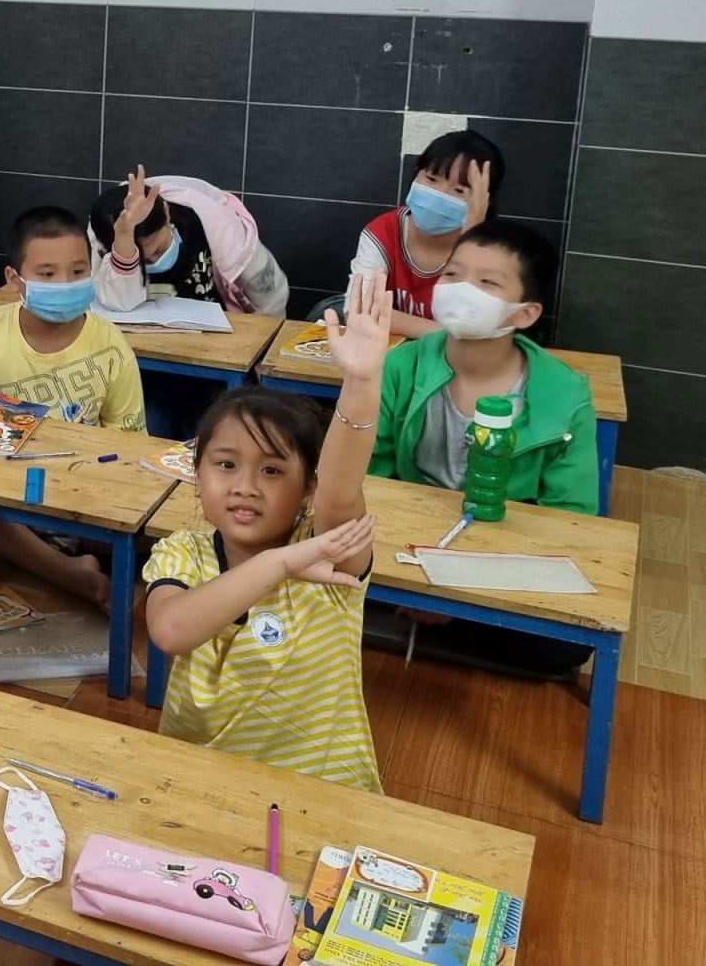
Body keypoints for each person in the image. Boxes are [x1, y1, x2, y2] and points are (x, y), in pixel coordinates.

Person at [141, 272, 389, 791]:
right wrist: (278, 564)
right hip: (197, 781)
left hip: (319, 786)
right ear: (196, 472)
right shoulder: (181, 553)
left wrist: (361, 383)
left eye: (272, 470)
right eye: (225, 465)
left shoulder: (325, 550)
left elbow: (341, 487)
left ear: (307, 491)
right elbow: (171, 632)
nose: (245, 487)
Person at [365, 220, 598, 680]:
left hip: (502, 547)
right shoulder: (400, 366)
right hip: (408, 537)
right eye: (453, 275)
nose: (460, 290)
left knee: (563, 647)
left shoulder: (566, 396)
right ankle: (423, 611)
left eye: (487, 282)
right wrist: (409, 572)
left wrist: (459, 587)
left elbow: (571, 520)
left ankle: (437, 616)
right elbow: (370, 477)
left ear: (525, 314)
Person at [0, 206, 145, 608]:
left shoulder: (111, 344)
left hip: (83, 489)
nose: (65, 284)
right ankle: (70, 574)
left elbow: (129, 446)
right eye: (47, 274)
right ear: (14, 279)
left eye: (78, 271)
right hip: (5, 493)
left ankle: (51, 553)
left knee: (159, 530)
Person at [351, 130, 504, 338]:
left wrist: (473, 233)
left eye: (459, 190)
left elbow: (479, 325)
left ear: (486, 200)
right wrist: (452, 334)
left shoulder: (499, 252)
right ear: (416, 174)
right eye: (432, 178)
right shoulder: (383, 231)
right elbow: (358, 309)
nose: (440, 194)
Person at [90, 168, 288, 316]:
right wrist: (124, 244)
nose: (154, 262)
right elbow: (117, 304)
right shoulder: (103, 239)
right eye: (143, 260)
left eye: (159, 250)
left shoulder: (218, 226)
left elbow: (270, 300)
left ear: (167, 214)